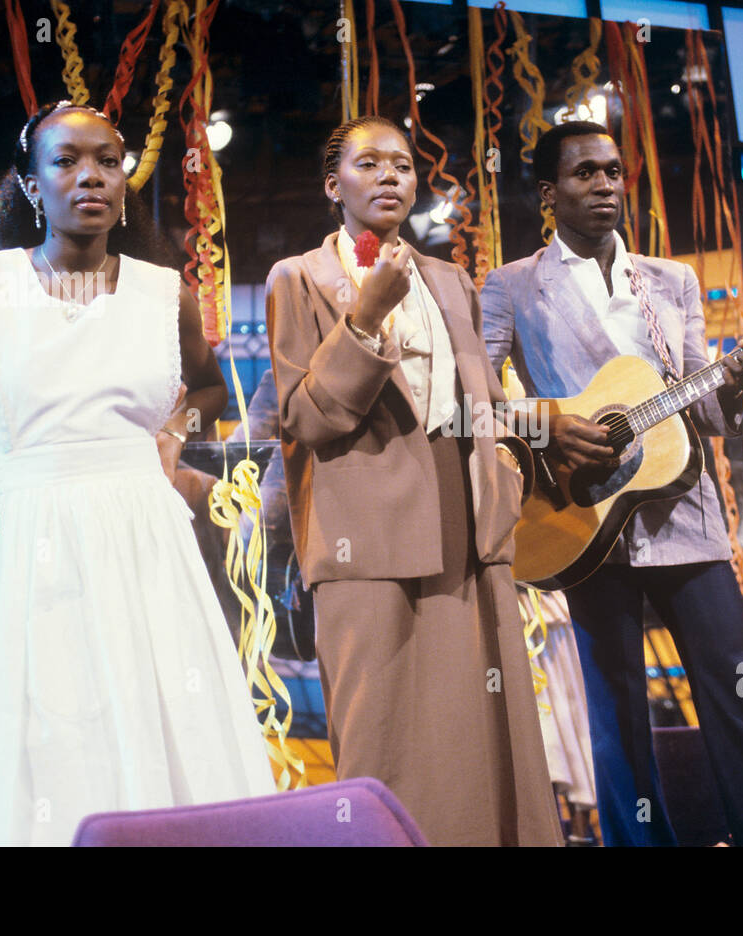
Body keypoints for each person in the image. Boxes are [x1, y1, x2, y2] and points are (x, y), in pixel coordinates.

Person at [0, 100, 275, 845]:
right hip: (30, 538)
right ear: (32, 186)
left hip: (148, 546)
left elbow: (208, 391)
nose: (92, 177)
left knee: (163, 728)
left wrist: (176, 431)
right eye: (67, 161)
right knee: (40, 739)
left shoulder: (161, 295)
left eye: (109, 161)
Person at [482, 121, 743, 846]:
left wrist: (734, 387)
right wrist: (548, 426)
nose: (604, 186)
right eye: (584, 175)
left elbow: (705, 405)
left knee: (740, 699)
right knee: (617, 714)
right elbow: (473, 403)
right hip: (579, 518)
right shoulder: (510, 286)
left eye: (612, 172)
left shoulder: (672, 279)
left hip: (683, 511)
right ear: (548, 192)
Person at [265, 115, 561, 846]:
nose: (392, 174)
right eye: (369, 164)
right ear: (334, 185)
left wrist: (511, 474)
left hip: (466, 519)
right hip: (361, 528)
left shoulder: (451, 279)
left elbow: (481, 402)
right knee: (384, 733)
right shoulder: (299, 279)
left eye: (402, 163)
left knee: (485, 730)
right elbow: (304, 418)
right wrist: (364, 319)